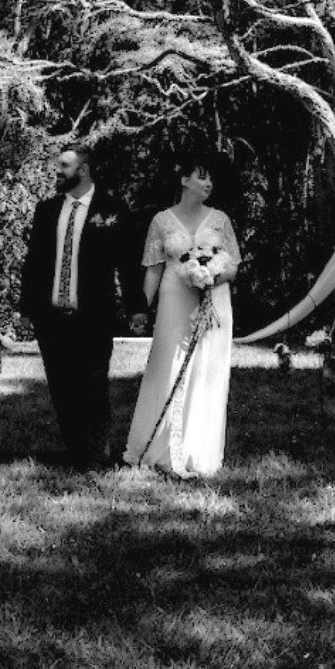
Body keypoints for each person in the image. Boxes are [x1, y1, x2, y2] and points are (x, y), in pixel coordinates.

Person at [20, 145, 148, 470]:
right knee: (62, 386)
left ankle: (96, 454)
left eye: (64, 165)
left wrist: (137, 308)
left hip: (93, 316)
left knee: (92, 384)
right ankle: (76, 450)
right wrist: (26, 310)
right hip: (50, 317)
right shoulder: (47, 210)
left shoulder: (113, 209)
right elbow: (33, 263)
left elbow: (129, 264)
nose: (57, 171)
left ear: (84, 169)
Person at [122, 154, 241, 477]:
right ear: (184, 180)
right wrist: (140, 311)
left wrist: (213, 277)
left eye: (211, 179)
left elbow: (233, 264)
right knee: (167, 366)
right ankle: (158, 448)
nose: (208, 184)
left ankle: (197, 451)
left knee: (206, 371)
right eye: (201, 176)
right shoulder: (161, 221)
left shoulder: (220, 220)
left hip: (214, 303)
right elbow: (154, 270)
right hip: (174, 300)